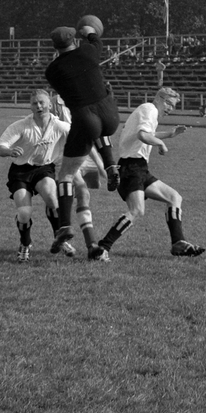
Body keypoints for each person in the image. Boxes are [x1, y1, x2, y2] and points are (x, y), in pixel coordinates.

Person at [92, 88, 204, 261]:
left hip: (140, 168)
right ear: (159, 99)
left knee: (174, 198)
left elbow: (146, 133)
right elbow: (143, 135)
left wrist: (169, 134)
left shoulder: (148, 112)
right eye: (168, 104)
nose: (170, 109)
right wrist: (160, 144)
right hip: (131, 167)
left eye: (173, 106)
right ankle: (102, 247)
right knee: (136, 210)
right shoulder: (149, 109)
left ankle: (178, 243)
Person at [46, 15, 122, 246]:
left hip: (85, 117)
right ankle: (110, 165)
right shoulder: (89, 52)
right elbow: (94, 37)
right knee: (100, 127)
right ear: (75, 40)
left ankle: (65, 226)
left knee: (66, 175)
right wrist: (87, 31)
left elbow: (66, 73)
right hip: (110, 115)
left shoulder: (52, 71)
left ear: (55, 47)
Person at [0, 89, 71, 262]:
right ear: (30, 106)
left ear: (50, 105)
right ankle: (25, 243)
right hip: (20, 172)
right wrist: (9, 151)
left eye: (42, 102)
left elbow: (78, 137)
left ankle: (60, 238)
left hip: (44, 169)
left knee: (52, 198)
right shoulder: (21, 126)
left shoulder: (59, 126)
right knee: (24, 213)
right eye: (35, 103)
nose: (39, 106)